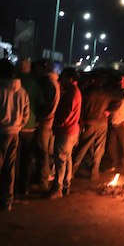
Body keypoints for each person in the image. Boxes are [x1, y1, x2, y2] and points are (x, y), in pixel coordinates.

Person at [0, 61, 30, 212]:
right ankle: (7, 202)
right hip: (15, 134)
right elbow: (26, 115)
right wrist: (18, 126)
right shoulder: (23, 91)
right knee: (9, 168)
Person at [47, 68, 82, 199]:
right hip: (72, 130)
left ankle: (57, 188)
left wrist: (58, 123)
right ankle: (66, 185)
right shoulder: (75, 91)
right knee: (67, 159)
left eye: (64, 77)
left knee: (60, 160)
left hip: (66, 131)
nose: (61, 79)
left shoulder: (71, 93)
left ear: (71, 79)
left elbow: (67, 112)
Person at [72, 75, 113, 181]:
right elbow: (118, 102)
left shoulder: (87, 93)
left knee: (83, 146)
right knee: (99, 148)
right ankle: (94, 173)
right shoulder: (107, 94)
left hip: (90, 122)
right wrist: (109, 111)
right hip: (102, 123)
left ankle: (72, 170)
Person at [31, 59, 60, 190]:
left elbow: (47, 105)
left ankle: (42, 180)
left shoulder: (47, 83)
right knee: (44, 150)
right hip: (48, 121)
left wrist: (39, 119)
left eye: (36, 67)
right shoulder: (52, 82)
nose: (34, 70)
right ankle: (43, 176)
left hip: (44, 122)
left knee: (42, 151)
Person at [15, 59, 40, 196]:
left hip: (14, 125)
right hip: (30, 124)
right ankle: (23, 187)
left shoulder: (16, 81)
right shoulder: (35, 83)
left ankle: (12, 186)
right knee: (26, 158)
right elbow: (41, 102)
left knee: (13, 159)